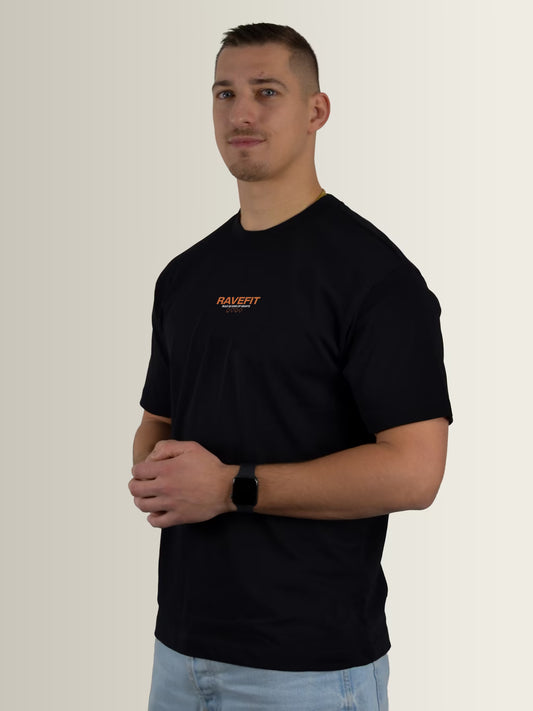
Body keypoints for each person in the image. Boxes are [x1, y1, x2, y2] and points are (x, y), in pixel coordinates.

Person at [129, 22, 453, 711]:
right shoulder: (184, 276)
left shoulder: (374, 276)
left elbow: (416, 470)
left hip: (308, 669)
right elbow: (158, 419)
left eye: (266, 91)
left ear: (316, 111)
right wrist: (158, 474)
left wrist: (230, 487)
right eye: (224, 93)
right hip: (178, 654)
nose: (240, 113)